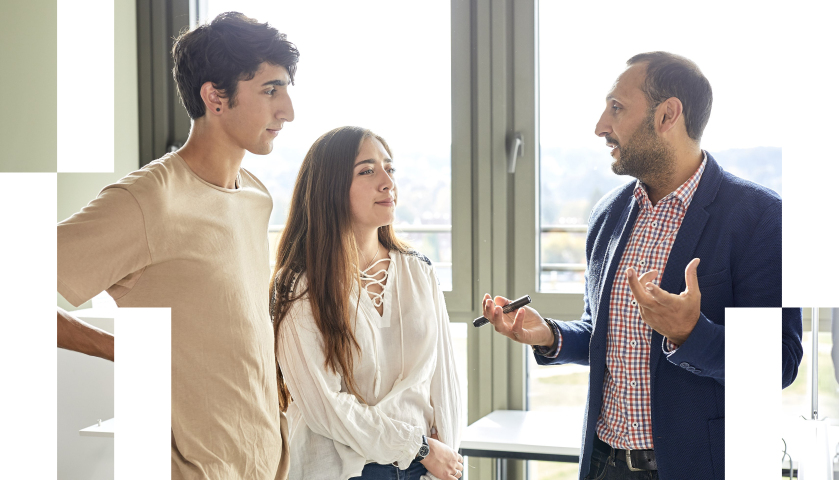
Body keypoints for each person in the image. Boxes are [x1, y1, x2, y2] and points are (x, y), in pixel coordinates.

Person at [481, 52, 803, 480]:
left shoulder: (762, 217)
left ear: (668, 114)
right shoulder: (608, 214)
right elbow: (604, 334)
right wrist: (551, 335)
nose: (600, 125)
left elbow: (779, 364)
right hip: (603, 464)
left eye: (616, 107)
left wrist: (691, 333)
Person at [56, 12, 298, 480]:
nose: (288, 110)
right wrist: (113, 346)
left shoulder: (255, 196)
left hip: (264, 463)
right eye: (271, 90)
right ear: (215, 97)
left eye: (286, 89)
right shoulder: (148, 200)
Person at [270, 126, 463, 480]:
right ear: (330, 187)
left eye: (389, 168)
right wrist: (416, 446)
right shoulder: (298, 285)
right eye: (367, 170)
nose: (387, 182)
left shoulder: (420, 272)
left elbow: (443, 385)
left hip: (423, 469)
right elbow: (324, 407)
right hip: (344, 472)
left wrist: (446, 460)